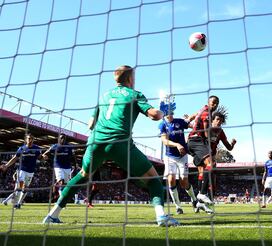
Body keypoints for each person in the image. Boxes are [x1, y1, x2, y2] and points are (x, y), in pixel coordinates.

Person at [43, 65, 179, 226]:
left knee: (82, 175)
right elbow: (155, 115)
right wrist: (164, 110)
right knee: (154, 179)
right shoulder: (135, 94)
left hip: (96, 142)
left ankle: (52, 214)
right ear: (130, 78)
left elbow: (90, 123)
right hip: (119, 142)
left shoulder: (104, 96)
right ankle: (161, 216)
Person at [158, 95, 199, 214]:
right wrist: (177, 145)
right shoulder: (162, 125)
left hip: (182, 157)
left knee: (184, 182)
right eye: (168, 112)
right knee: (171, 180)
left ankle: (194, 199)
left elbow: (191, 121)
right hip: (170, 156)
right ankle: (178, 206)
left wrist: (201, 111)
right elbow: (164, 141)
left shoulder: (180, 122)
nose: (170, 114)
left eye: (172, 112)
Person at [187, 95, 219, 208]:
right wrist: (207, 143)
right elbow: (206, 131)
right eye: (213, 102)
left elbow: (193, 116)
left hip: (192, 141)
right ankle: (202, 194)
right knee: (211, 164)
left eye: (216, 103)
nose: (215, 105)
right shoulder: (207, 113)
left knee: (205, 168)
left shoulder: (202, 110)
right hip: (197, 141)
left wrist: (187, 120)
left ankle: (200, 201)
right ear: (208, 102)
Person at [0, 133, 43, 209]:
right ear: (26, 139)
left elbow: (40, 157)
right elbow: (15, 158)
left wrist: (44, 157)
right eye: (29, 138)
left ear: (33, 140)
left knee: (25, 188)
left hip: (30, 172)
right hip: (22, 170)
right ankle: (15, 204)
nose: (30, 140)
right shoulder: (21, 149)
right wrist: (6, 165)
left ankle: (19, 203)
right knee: (20, 186)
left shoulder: (36, 149)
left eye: (32, 139)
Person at [209, 106, 237, 198]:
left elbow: (228, 147)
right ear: (212, 120)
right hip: (202, 154)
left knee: (212, 176)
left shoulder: (220, 132)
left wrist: (232, 144)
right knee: (203, 175)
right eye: (217, 119)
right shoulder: (206, 128)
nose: (219, 122)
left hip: (212, 156)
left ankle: (210, 197)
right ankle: (200, 197)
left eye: (221, 120)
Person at [42, 133, 77, 201]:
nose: (63, 139)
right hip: (58, 166)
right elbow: (46, 153)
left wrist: (75, 166)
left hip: (67, 167)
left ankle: (57, 195)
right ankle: (62, 200)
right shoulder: (55, 146)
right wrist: (44, 156)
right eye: (61, 138)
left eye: (64, 138)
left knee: (66, 184)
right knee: (62, 181)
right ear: (58, 139)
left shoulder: (69, 147)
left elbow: (73, 157)